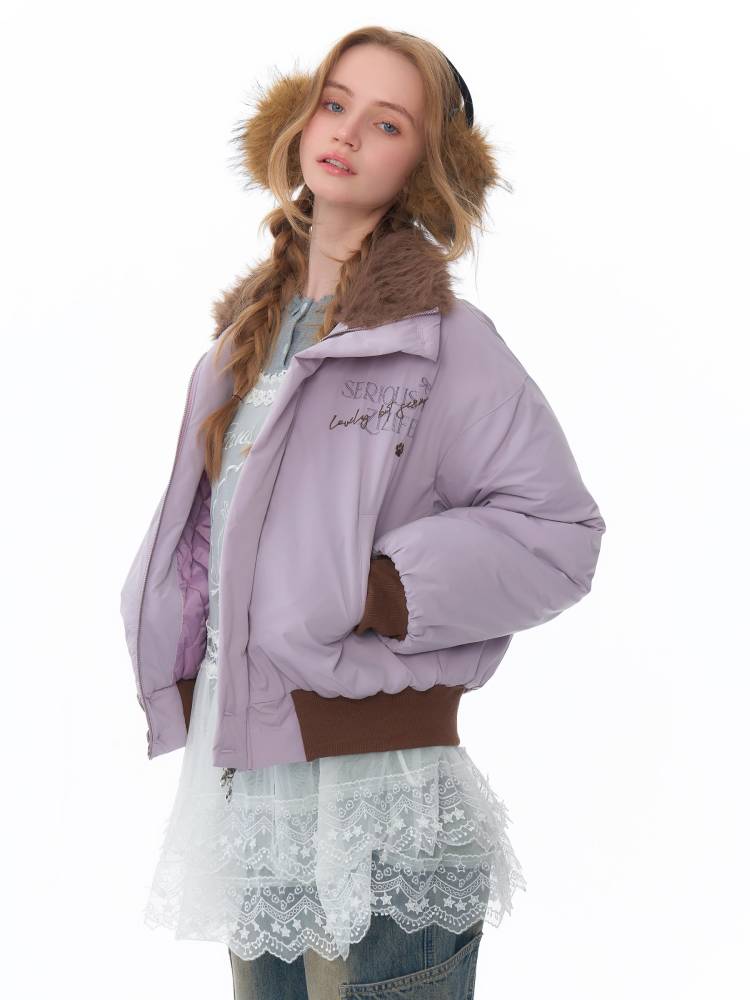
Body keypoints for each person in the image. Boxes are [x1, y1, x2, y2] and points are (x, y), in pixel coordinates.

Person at [119, 25, 606, 999]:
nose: (345, 132)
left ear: (423, 166)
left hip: (382, 806)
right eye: (334, 103)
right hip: (250, 794)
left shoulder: (446, 343)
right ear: (298, 121)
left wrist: (382, 589)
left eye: (386, 123)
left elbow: (561, 535)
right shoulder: (238, 348)